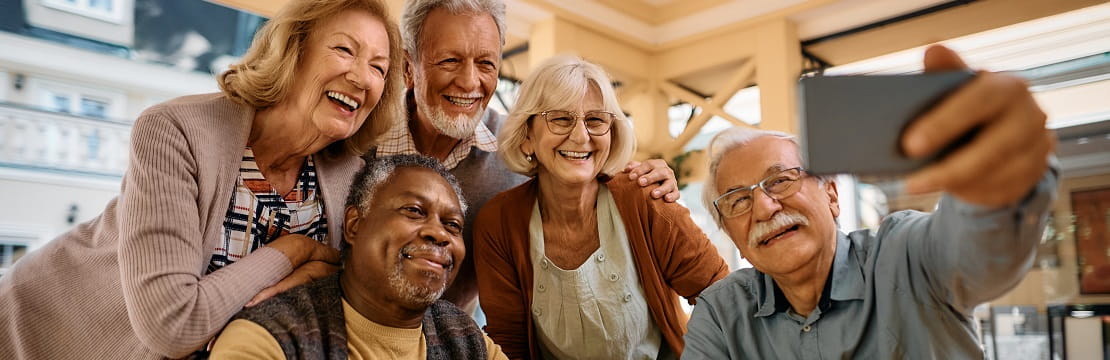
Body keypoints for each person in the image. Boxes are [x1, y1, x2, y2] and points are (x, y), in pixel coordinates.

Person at [0, 0, 405, 358]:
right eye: (344, 50)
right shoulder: (175, 129)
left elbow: (347, 286)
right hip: (47, 330)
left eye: (378, 68)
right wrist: (294, 252)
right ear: (293, 51)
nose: (362, 78)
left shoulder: (351, 178)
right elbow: (173, 325)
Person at [683, 45, 1058, 359]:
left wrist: (997, 184)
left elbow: (978, 252)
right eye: (737, 202)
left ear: (830, 194)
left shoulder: (905, 257)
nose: (764, 208)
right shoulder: (722, 312)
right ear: (730, 233)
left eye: (780, 181)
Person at [372, 0, 682, 313]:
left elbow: (584, 171)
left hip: (452, 338)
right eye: (450, 60)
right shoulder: (359, 136)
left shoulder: (521, 142)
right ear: (408, 67)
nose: (469, 82)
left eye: (486, 64)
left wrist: (646, 182)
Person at [473, 55, 730, 359]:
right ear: (527, 135)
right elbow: (509, 344)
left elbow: (722, 299)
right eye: (560, 118)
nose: (581, 136)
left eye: (595, 120)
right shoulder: (498, 222)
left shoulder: (643, 197)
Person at [208, 154, 507, 360]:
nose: (439, 234)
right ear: (354, 224)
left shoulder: (466, 341)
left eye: (452, 225)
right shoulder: (269, 339)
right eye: (414, 211)